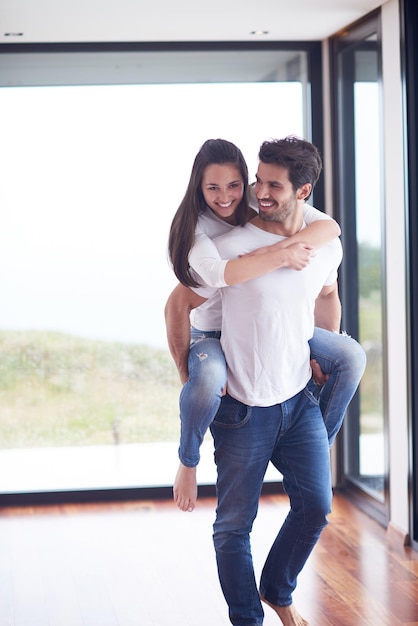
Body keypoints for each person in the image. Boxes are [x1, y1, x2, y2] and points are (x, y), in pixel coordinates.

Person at [181, 135, 349, 626]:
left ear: (304, 191)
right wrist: (191, 375)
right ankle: (247, 619)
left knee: (316, 508)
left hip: (299, 402)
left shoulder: (323, 243)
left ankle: (277, 590)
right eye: (259, 181)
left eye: (273, 184)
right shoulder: (229, 249)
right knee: (234, 527)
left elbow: (327, 292)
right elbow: (178, 308)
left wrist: (325, 343)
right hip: (242, 409)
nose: (260, 192)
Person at [165, 139, 366, 513]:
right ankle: (187, 460)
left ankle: (315, 449)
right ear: (199, 188)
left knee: (350, 355)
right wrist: (184, 371)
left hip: (274, 330)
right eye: (213, 188)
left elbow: (329, 230)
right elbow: (204, 286)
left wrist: (316, 352)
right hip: (213, 335)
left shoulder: (259, 203)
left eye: (236, 185)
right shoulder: (205, 233)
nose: (226, 197)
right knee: (207, 382)